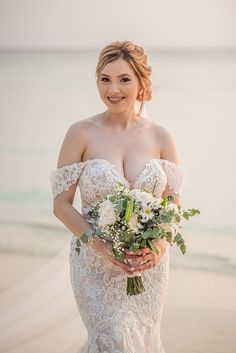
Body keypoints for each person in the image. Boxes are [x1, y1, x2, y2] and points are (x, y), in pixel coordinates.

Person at [50, 40, 186, 353]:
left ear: (142, 83)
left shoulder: (161, 136)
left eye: (124, 79)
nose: (113, 89)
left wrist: (160, 245)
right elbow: (61, 205)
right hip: (94, 262)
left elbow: (172, 204)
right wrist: (104, 247)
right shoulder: (80, 133)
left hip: (148, 264)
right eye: (105, 79)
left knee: (143, 339)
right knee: (111, 337)